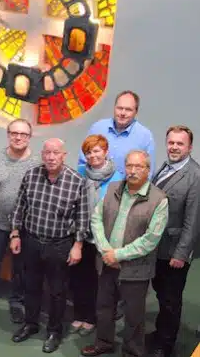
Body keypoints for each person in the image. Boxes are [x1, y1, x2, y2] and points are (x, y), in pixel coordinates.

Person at [81, 150, 168, 357]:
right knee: (104, 307)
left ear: (148, 170)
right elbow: (96, 219)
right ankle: (103, 343)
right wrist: (105, 250)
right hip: (106, 262)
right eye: (129, 166)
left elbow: (150, 240)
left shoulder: (159, 200)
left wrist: (118, 255)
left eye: (139, 167)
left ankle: (132, 351)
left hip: (135, 270)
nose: (133, 171)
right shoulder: (112, 189)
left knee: (134, 316)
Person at [10, 138, 89, 354]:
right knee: (31, 286)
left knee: (57, 291)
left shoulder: (76, 181)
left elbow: (83, 218)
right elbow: (20, 207)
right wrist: (15, 233)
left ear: (64, 155)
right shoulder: (31, 175)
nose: (51, 157)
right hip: (31, 241)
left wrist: (78, 245)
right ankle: (30, 324)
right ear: (42, 154)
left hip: (60, 244)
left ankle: (55, 331)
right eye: (47, 153)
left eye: (56, 153)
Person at [0, 118, 40, 323]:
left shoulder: (38, 164)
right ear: (8, 134)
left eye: (23, 134)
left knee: (20, 267)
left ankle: (16, 303)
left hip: (24, 228)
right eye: (14, 133)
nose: (18, 137)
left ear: (29, 137)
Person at [147, 126, 200, 357]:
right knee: (161, 292)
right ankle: (160, 333)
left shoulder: (195, 176)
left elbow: (194, 219)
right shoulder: (165, 167)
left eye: (180, 143)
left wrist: (181, 254)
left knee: (171, 299)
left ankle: (165, 345)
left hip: (175, 251)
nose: (174, 147)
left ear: (190, 147)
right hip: (158, 247)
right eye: (171, 143)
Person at [70, 135, 124, 336]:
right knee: (78, 277)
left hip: (102, 237)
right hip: (80, 234)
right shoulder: (80, 172)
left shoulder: (118, 178)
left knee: (98, 280)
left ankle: (92, 318)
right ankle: (79, 314)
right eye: (88, 152)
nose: (92, 155)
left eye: (96, 150)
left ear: (106, 152)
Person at [79, 90, 155, 177]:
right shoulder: (97, 128)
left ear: (136, 112)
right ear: (114, 108)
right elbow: (82, 161)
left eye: (128, 110)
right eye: (120, 108)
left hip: (126, 189)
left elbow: (149, 173)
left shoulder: (145, 136)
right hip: (92, 186)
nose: (123, 113)